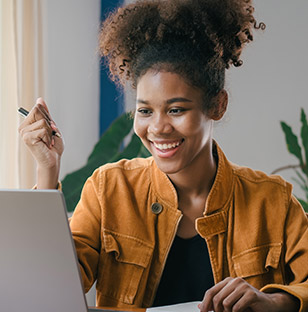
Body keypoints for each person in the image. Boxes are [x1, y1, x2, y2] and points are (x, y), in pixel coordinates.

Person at [18, 0, 308, 311]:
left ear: (217, 106)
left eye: (176, 109)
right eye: (145, 110)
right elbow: (46, 288)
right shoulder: (109, 190)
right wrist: (46, 171)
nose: (158, 127)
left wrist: (275, 302)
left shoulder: (272, 201)